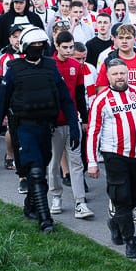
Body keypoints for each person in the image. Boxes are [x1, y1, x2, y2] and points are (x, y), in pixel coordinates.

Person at [0, 26, 80, 233]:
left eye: (41, 45)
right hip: (24, 128)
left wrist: (74, 127)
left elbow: (65, 99)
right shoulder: (14, 70)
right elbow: (2, 102)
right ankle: (45, 220)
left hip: (46, 128)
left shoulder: (51, 67)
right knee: (36, 172)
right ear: (26, 47)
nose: (38, 48)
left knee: (39, 173)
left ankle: (30, 206)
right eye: (34, 45)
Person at [86, 57, 136, 257]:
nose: (119, 77)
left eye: (122, 73)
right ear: (108, 76)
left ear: (128, 73)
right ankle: (131, 241)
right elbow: (93, 131)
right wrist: (92, 161)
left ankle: (115, 222)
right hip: (114, 155)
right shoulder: (100, 100)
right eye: (115, 74)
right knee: (122, 197)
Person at [49, 31, 93, 220]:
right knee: (53, 163)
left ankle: (80, 202)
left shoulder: (77, 66)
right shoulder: (49, 65)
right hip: (54, 123)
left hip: (72, 121)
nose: (68, 51)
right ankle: (56, 197)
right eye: (64, 47)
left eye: (71, 47)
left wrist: (84, 119)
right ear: (56, 46)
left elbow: (80, 94)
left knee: (76, 162)